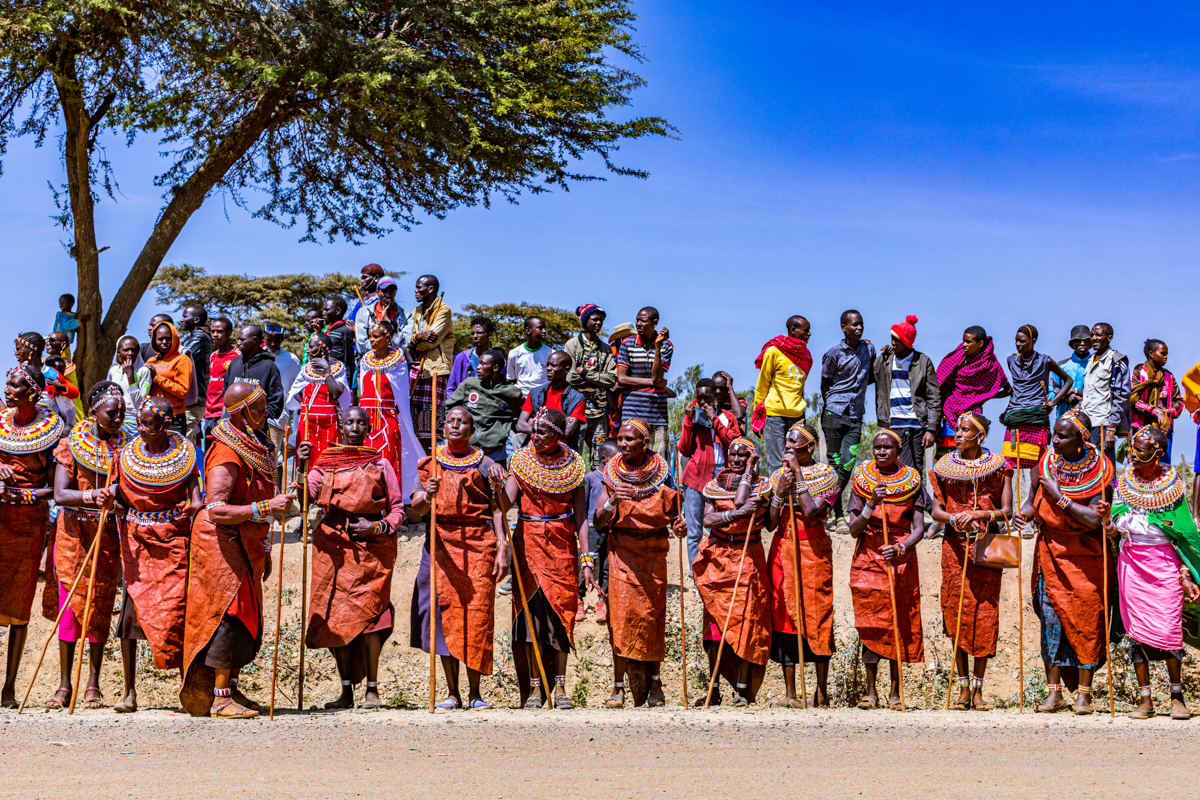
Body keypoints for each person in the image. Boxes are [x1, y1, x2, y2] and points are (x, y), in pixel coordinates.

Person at [179, 384, 295, 718]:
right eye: (257, 410)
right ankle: (219, 698)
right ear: (240, 413)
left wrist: (264, 543)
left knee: (247, 617)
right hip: (221, 544)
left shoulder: (254, 443)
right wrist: (266, 506)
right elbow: (216, 509)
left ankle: (230, 686)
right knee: (228, 615)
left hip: (244, 542)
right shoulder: (226, 451)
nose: (264, 415)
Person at [299, 407, 406, 710]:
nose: (355, 426)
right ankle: (345, 691)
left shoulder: (380, 463)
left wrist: (376, 526)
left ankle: (372, 689)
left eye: (361, 422)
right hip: (332, 548)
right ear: (341, 427)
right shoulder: (325, 464)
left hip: (372, 547)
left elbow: (397, 508)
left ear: (369, 427)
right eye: (350, 422)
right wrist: (301, 466)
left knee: (373, 616)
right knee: (334, 616)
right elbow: (305, 499)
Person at [1013, 409, 1114, 715]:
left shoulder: (1101, 471)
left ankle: (1084, 694)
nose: (1054, 440)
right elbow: (1033, 500)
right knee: (1051, 622)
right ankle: (1053, 692)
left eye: (1062, 436)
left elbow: (1095, 518)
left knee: (1087, 620)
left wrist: (1059, 496)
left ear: (1082, 439)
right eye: (1054, 433)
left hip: (1086, 556)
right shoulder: (1045, 463)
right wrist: (1024, 512)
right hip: (1050, 554)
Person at [408, 407, 509, 709]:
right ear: (443, 427)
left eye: (462, 421)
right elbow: (418, 508)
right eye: (450, 420)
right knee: (443, 616)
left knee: (476, 615)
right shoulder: (430, 464)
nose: (455, 425)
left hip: (479, 544)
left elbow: (499, 508)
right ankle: (452, 693)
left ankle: (476, 693)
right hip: (440, 547)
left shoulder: (486, 464)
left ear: (471, 429)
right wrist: (427, 494)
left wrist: (502, 545)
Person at [1101, 427, 1200, 720]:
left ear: (1158, 452)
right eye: (1133, 448)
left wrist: (1184, 575)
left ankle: (1177, 697)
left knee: (1170, 630)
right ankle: (1145, 700)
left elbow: (1183, 537)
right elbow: (1116, 530)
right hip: (1131, 564)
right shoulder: (1124, 483)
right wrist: (1107, 522)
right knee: (1138, 634)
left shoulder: (1173, 487)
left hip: (1165, 565)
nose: (1133, 453)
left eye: (1141, 450)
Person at [112, 397, 201, 713]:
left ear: (164, 425)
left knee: (176, 613)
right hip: (137, 545)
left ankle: (186, 688)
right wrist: (111, 501)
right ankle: (129, 692)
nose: (140, 429)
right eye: (139, 422)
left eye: (147, 424)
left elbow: (196, 498)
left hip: (173, 545)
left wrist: (193, 507)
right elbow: (117, 493)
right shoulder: (127, 457)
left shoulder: (184, 457)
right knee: (130, 620)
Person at [46, 381, 129, 710]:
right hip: (73, 536)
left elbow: (131, 495)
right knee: (69, 610)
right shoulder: (70, 445)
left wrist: (118, 500)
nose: (118, 417)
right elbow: (60, 494)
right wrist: (90, 496)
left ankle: (93, 684)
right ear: (94, 410)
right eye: (112, 412)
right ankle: (65, 684)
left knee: (100, 608)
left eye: (122, 411)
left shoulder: (127, 449)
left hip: (107, 536)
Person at [501, 408, 590, 710]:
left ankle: (561, 687)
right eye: (533, 431)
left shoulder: (573, 466)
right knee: (531, 617)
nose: (534, 436)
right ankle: (536, 690)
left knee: (560, 616)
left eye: (542, 432)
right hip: (528, 544)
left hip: (563, 547)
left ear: (558, 435)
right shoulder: (521, 463)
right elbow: (504, 502)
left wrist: (587, 558)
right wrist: (495, 485)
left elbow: (581, 519)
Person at [592, 419, 682, 708]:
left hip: (654, 554)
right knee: (619, 619)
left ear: (645, 442)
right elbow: (597, 521)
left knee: (653, 618)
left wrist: (680, 526)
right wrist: (611, 503)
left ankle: (655, 684)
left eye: (629, 439)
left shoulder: (663, 471)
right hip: (622, 554)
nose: (622, 444)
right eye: (620, 439)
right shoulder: (611, 473)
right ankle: (618, 688)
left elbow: (676, 515)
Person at [928, 413, 1013, 710]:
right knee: (956, 610)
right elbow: (936, 512)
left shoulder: (1000, 467)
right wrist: (955, 517)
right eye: (958, 430)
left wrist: (977, 515)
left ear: (980, 436)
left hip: (988, 545)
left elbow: (1007, 512)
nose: (959, 434)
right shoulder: (942, 467)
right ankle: (963, 690)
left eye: (965, 431)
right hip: (953, 545)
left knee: (985, 612)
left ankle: (978, 691)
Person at [845, 429, 926, 710]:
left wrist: (901, 548)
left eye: (887, 448)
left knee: (898, 621)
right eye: (877, 447)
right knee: (871, 622)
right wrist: (870, 505)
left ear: (898, 449)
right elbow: (854, 530)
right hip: (868, 557)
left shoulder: (912, 480)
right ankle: (870, 692)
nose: (881, 452)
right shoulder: (862, 480)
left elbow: (919, 528)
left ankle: (895, 692)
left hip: (900, 559)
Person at [0, 364, 62, 708]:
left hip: (28, 523)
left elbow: (53, 487)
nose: (7, 390)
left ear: (33, 391)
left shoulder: (51, 429)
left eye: (14, 385)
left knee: (19, 605)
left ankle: (8, 688)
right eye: (7, 384)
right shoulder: (0, 421)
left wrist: (21, 495)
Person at [694, 437, 771, 706]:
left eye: (744, 455)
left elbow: (769, 521)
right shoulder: (714, 486)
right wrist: (734, 516)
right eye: (733, 454)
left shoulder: (763, 486)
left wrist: (751, 473)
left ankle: (741, 690)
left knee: (747, 623)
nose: (737, 459)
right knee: (714, 627)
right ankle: (713, 689)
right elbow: (707, 519)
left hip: (748, 555)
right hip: (717, 557)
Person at [766, 423, 839, 708]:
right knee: (785, 616)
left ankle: (821, 691)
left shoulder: (826, 474)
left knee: (818, 615)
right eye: (786, 441)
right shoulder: (778, 477)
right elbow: (771, 522)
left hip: (813, 551)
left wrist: (796, 474)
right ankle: (790, 693)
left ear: (809, 448)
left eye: (794, 443)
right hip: (783, 549)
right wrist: (779, 493)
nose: (788, 446)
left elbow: (810, 510)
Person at [873, 315, 941, 495]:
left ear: (907, 342)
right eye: (892, 338)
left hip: (917, 423)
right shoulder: (885, 360)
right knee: (897, 467)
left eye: (897, 339)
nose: (893, 343)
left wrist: (932, 428)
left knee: (916, 468)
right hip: (893, 423)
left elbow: (934, 397)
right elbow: (871, 374)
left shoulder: (923, 361)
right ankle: (916, 507)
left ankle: (918, 510)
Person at [677, 377, 741, 566]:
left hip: (723, 476)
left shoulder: (727, 417)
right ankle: (694, 571)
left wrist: (714, 419)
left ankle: (722, 568)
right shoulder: (692, 417)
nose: (702, 402)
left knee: (724, 526)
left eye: (707, 397)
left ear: (716, 396)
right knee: (694, 529)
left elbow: (734, 444)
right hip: (696, 475)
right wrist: (688, 419)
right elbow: (684, 449)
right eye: (699, 398)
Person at [359, 317, 423, 498]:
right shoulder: (365, 360)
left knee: (389, 460)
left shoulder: (398, 361)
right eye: (370, 336)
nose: (372, 340)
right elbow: (363, 391)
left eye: (376, 337)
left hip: (387, 417)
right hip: (367, 419)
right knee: (366, 459)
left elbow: (401, 392)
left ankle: (391, 504)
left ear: (387, 338)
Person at [1001, 325, 1074, 475]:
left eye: (1022, 341)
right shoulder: (1011, 361)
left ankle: (1036, 497)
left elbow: (1068, 381)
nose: (1018, 344)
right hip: (1015, 417)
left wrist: (1053, 402)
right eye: (1016, 341)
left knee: (1039, 463)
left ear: (1033, 341)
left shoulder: (1045, 361)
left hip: (1036, 417)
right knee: (1009, 463)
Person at [752, 315, 813, 477]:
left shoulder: (806, 355)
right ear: (793, 330)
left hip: (798, 415)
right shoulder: (774, 351)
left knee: (800, 459)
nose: (809, 334)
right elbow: (763, 383)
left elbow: (800, 387)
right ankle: (777, 500)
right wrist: (758, 413)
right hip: (775, 414)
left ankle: (798, 498)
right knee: (777, 461)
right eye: (806, 331)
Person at [934, 326, 1010, 456]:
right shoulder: (957, 356)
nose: (964, 344)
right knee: (946, 457)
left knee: (969, 456)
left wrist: (983, 396)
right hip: (949, 410)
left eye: (969, 342)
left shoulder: (990, 364)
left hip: (971, 414)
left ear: (980, 343)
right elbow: (939, 380)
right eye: (963, 341)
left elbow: (1008, 390)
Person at [445, 349, 524, 467]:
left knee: (495, 484)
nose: (478, 367)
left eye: (482, 364)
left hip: (494, 453)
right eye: (478, 363)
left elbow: (519, 418)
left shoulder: (512, 393)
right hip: (465, 450)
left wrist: (502, 430)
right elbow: (449, 407)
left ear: (495, 368)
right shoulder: (469, 384)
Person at [616, 307, 674, 462]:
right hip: (632, 411)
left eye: (643, 320)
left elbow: (657, 376)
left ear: (654, 323)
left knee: (660, 461)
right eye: (637, 320)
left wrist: (657, 347)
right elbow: (622, 379)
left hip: (657, 412)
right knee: (631, 458)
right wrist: (653, 383)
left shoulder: (666, 345)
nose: (638, 324)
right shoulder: (627, 344)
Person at [286, 333, 351, 469]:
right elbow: (294, 391)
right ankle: (304, 490)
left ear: (322, 350)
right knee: (306, 463)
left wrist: (327, 369)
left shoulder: (338, 368)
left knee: (329, 463)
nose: (309, 352)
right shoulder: (306, 370)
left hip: (328, 423)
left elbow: (335, 393)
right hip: (306, 424)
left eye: (312, 348)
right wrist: (303, 404)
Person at [565, 304, 618, 468]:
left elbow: (611, 379)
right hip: (577, 411)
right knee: (574, 454)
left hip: (600, 412)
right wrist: (599, 379)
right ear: (585, 320)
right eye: (595, 319)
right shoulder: (572, 344)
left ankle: (597, 490)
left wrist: (586, 373)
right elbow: (571, 377)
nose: (599, 323)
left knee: (599, 456)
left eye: (601, 320)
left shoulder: (605, 349)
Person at [409, 275, 453, 448]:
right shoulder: (417, 311)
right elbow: (411, 340)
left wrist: (415, 343)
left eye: (419, 287)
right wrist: (417, 338)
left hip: (435, 369)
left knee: (430, 424)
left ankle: (429, 464)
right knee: (413, 421)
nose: (415, 291)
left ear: (431, 289)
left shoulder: (443, 310)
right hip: (416, 369)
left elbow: (431, 341)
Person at [578, 440, 618, 623]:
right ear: (603, 459)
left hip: (610, 528)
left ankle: (602, 600)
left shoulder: (618, 479)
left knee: (607, 566)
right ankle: (578, 598)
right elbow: (583, 508)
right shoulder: (590, 478)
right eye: (615, 458)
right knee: (588, 563)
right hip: (593, 528)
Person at [1080, 322, 1130, 466]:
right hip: (1086, 423)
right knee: (1089, 469)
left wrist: (1111, 429)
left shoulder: (1117, 361)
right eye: (1092, 335)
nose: (1094, 338)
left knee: (1104, 469)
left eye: (1098, 335)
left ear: (1109, 338)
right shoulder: (1090, 360)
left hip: (1102, 423)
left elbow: (1122, 397)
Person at [516, 351, 586, 452]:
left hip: (562, 452)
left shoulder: (577, 399)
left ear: (566, 369)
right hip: (534, 449)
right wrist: (556, 425)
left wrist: (534, 422)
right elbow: (520, 425)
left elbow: (566, 432)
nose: (548, 368)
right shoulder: (535, 393)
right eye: (547, 365)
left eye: (553, 365)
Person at [1130, 339, 1183, 464]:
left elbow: (1179, 400)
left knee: (1163, 463)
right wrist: (1155, 411)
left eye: (1166, 354)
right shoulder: (1138, 373)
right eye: (1163, 353)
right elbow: (1133, 399)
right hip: (1142, 427)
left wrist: (1168, 412)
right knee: (1140, 463)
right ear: (1151, 353)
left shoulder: (1168, 376)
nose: (1166, 357)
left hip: (1164, 428)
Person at [353, 268, 408, 382]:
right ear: (378, 292)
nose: (388, 295)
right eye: (384, 291)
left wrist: (387, 320)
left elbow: (402, 342)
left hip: (394, 365)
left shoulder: (403, 314)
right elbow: (361, 342)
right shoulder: (364, 309)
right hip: (369, 363)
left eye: (391, 291)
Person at [223, 324, 284, 424]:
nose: (238, 343)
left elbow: (276, 403)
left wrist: (257, 418)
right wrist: (224, 417)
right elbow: (225, 394)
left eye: (242, 340)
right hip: (230, 428)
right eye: (238, 339)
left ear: (255, 340)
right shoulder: (234, 363)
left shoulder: (269, 367)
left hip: (255, 431)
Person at [145, 320, 194, 436]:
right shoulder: (151, 361)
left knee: (174, 453)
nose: (164, 342)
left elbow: (182, 391)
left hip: (174, 418)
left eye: (168, 338)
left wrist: (157, 378)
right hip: (152, 416)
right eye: (160, 339)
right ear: (154, 340)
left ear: (175, 339)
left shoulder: (182, 360)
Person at [263, 323, 302, 454]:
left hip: (277, 417)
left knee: (272, 457)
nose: (273, 343)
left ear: (282, 339)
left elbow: (299, 386)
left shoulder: (291, 360)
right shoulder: (256, 356)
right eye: (269, 340)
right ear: (263, 338)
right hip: (255, 416)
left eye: (277, 340)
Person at [178, 305, 212, 447]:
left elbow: (180, 358)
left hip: (192, 402)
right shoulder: (194, 336)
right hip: (188, 401)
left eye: (185, 316)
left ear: (196, 320)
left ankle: (189, 470)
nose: (181, 320)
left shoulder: (199, 338)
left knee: (184, 444)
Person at [107, 336, 152, 438]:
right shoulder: (114, 370)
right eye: (126, 350)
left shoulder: (144, 372)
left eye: (134, 350)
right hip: (114, 421)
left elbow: (140, 403)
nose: (130, 353)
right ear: (119, 353)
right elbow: (109, 395)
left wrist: (130, 377)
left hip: (133, 422)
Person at [204, 318, 239, 442]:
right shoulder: (213, 356)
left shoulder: (237, 356)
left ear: (229, 333)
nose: (215, 335)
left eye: (219, 331)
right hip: (209, 413)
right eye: (212, 331)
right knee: (208, 455)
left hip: (224, 414)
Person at [1051, 326, 1092, 421]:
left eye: (1086, 340)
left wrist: (1077, 392)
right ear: (1072, 344)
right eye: (1078, 340)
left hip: (1089, 415)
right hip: (1064, 416)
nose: (1082, 343)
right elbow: (1052, 391)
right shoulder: (1061, 366)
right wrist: (1066, 397)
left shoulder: (1096, 365)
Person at [447, 315, 495, 395]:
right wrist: (454, 405)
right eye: (473, 333)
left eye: (479, 333)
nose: (475, 336)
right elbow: (451, 387)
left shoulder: (496, 359)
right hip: (464, 404)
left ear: (489, 335)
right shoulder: (462, 358)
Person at [506, 315, 552, 396]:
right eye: (540, 328)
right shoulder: (514, 353)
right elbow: (511, 380)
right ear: (528, 330)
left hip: (544, 398)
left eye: (545, 328)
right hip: (522, 398)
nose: (544, 331)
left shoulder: (551, 353)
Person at [45, 331, 84, 422]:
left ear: (63, 345)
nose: (47, 343)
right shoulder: (43, 363)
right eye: (46, 340)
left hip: (67, 408)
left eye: (51, 341)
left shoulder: (66, 366)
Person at [322, 296, 356, 389]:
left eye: (326, 310)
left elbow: (348, 360)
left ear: (337, 311)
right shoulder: (329, 331)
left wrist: (347, 386)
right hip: (326, 376)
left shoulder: (344, 331)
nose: (323, 313)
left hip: (338, 378)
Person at [43, 356, 79, 428]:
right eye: (57, 370)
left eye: (63, 371)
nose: (60, 374)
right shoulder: (40, 380)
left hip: (60, 421)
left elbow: (75, 392)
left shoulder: (65, 381)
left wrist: (61, 386)